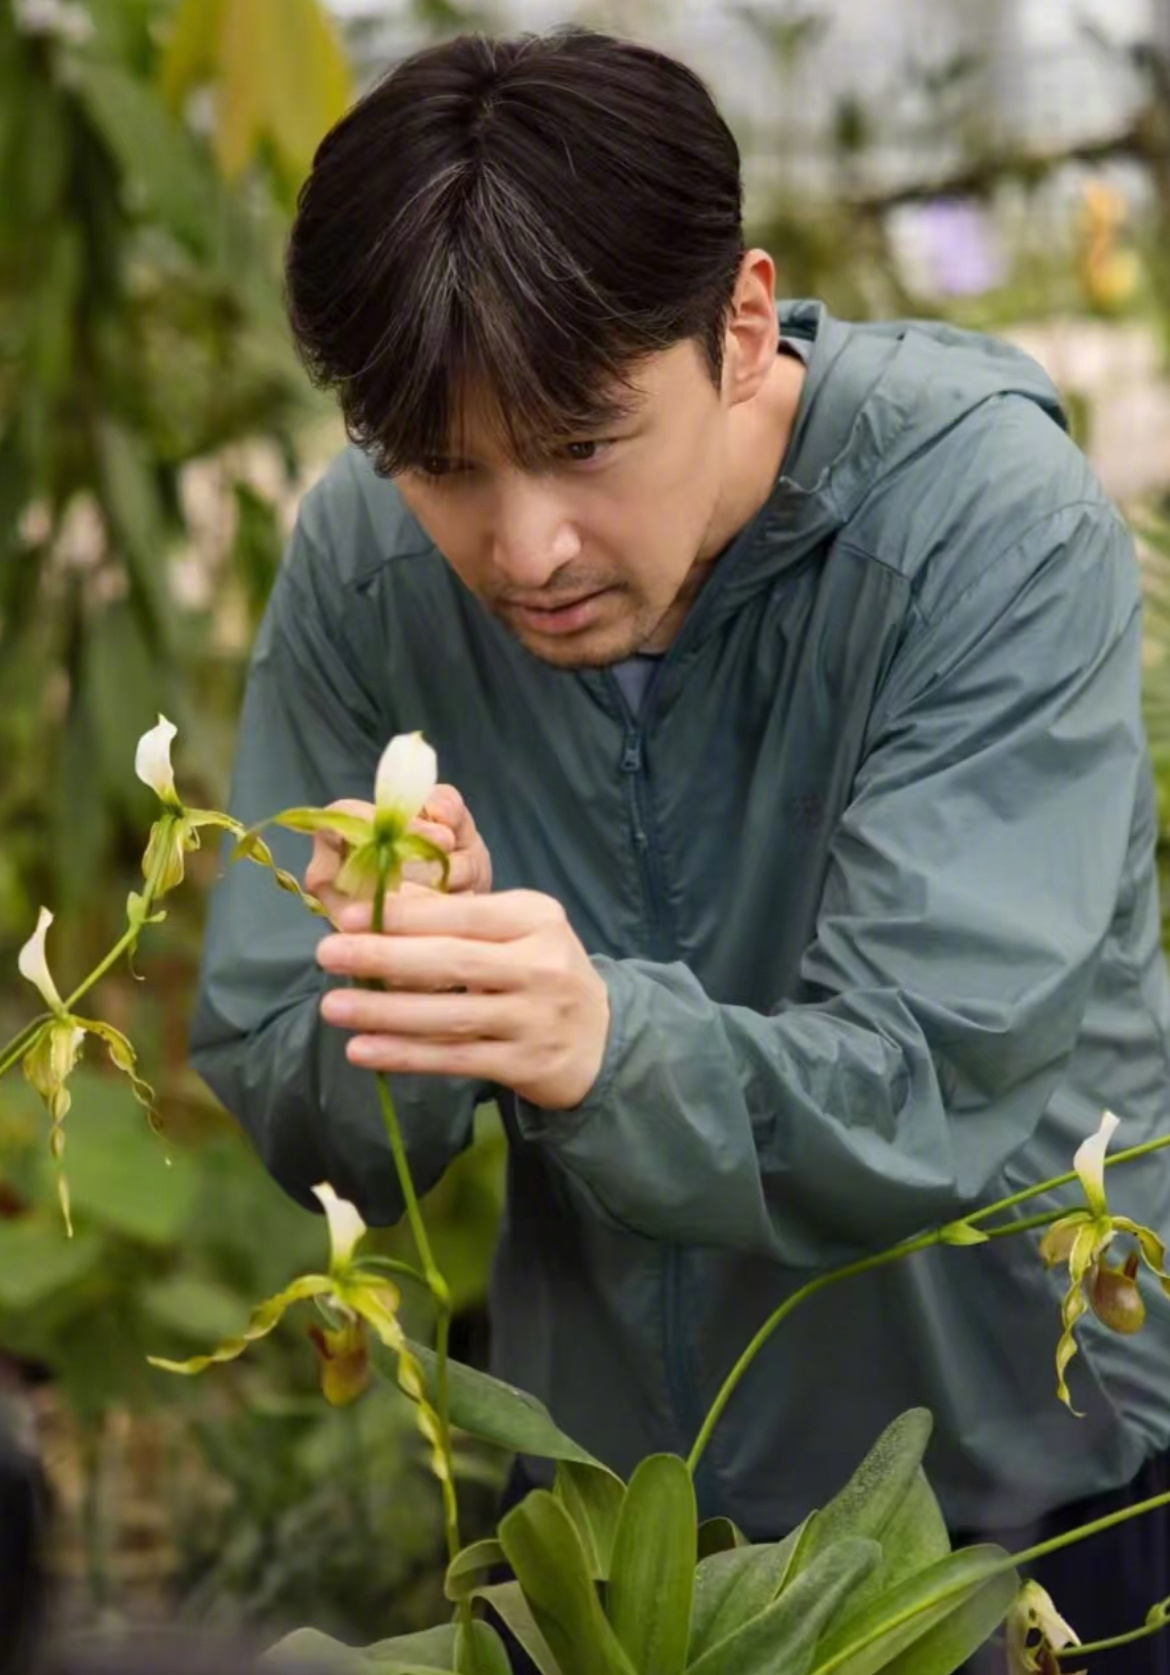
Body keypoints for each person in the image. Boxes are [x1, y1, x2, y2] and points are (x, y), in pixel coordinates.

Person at [189, 27, 1170, 1668]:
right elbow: (298, 1107)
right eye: (442, 466)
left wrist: (592, 1042)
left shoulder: (983, 529)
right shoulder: (367, 568)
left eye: (581, 443)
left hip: (1016, 1511)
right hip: (597, 1536)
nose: (523, 547)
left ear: (735, 324)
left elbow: (931, 1079)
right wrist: (413, 1017)